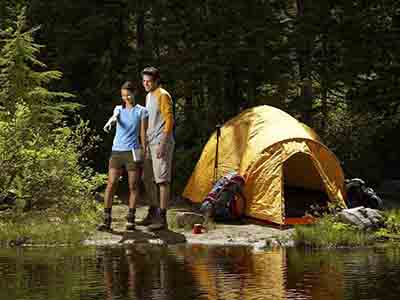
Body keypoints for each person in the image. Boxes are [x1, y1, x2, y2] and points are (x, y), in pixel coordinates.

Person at [97, 81, 148, 231]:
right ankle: (107, 220)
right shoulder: (118, 108)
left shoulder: (142, 111)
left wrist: (144, 150)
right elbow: (114, 117)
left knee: (133, 185)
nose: (126, 98)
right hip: (117, 151)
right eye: (123, 95)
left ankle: (130, 219)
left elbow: (143, 133)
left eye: (128, 95)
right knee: (111, 183)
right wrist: (110, 122)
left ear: (134, 93)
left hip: (133, 151)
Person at [137, 67, 174, 230]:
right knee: (146, 177)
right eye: (144, 81)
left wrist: (163, 143)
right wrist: (144, 144)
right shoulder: (148, 96)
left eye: (149, 81)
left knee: (162, 179)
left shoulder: (163, 95)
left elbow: (169, 120)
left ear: (156, 81)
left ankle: (162, 219)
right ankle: (153, 210)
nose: (145, 84)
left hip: (161, 141)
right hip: (150, 142)